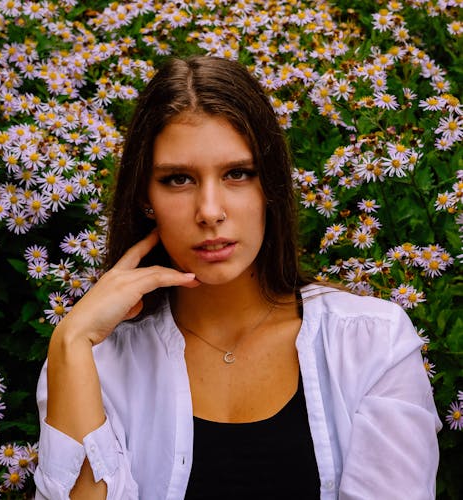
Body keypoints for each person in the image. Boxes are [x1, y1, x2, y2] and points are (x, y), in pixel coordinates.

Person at [34, 56, 441, 500]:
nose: (209, 211)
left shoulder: (371, 343)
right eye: (178, 179)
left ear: (271, 187)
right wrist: (69, 340)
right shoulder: (94, 362)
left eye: (237, 174)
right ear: (145, 197)